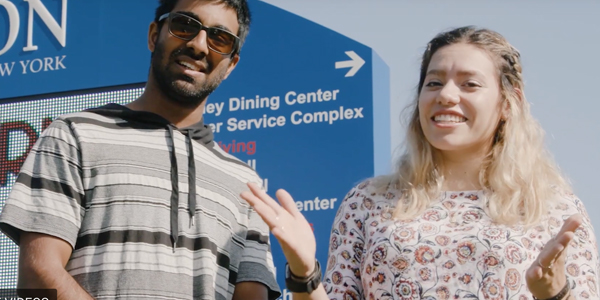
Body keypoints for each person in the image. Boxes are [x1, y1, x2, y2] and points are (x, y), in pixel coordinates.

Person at [240, 26, 600, 300]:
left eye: (469, 84)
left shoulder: (553, 208)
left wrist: (556, 293)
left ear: (508, 103)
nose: (446, 95)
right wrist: (305, 273)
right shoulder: (367, 202)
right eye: (434, 82)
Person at [0, 0, 281, 299]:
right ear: (153, 34)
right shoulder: (73, 135)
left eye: (219, 38)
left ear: (231, 64)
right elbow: (39, 275)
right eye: (185, 25)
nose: (199, 45)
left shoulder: (246, 184)